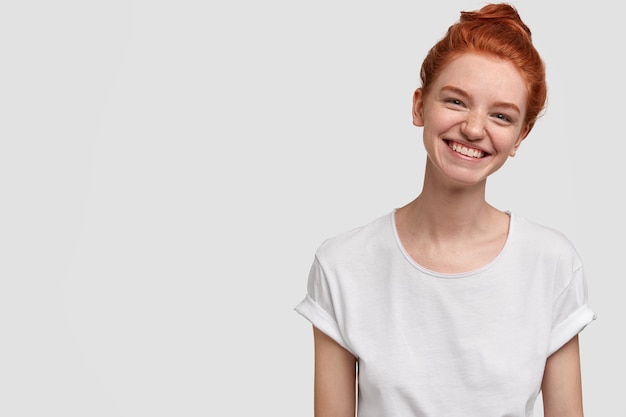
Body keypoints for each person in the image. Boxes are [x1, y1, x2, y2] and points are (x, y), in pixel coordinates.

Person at [294, 3, 596, 417]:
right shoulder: (342, 265)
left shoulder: (551, 264)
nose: (474, 128)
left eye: (501, 115)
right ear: (420, 106)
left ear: (521, 135)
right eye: (456, 101)